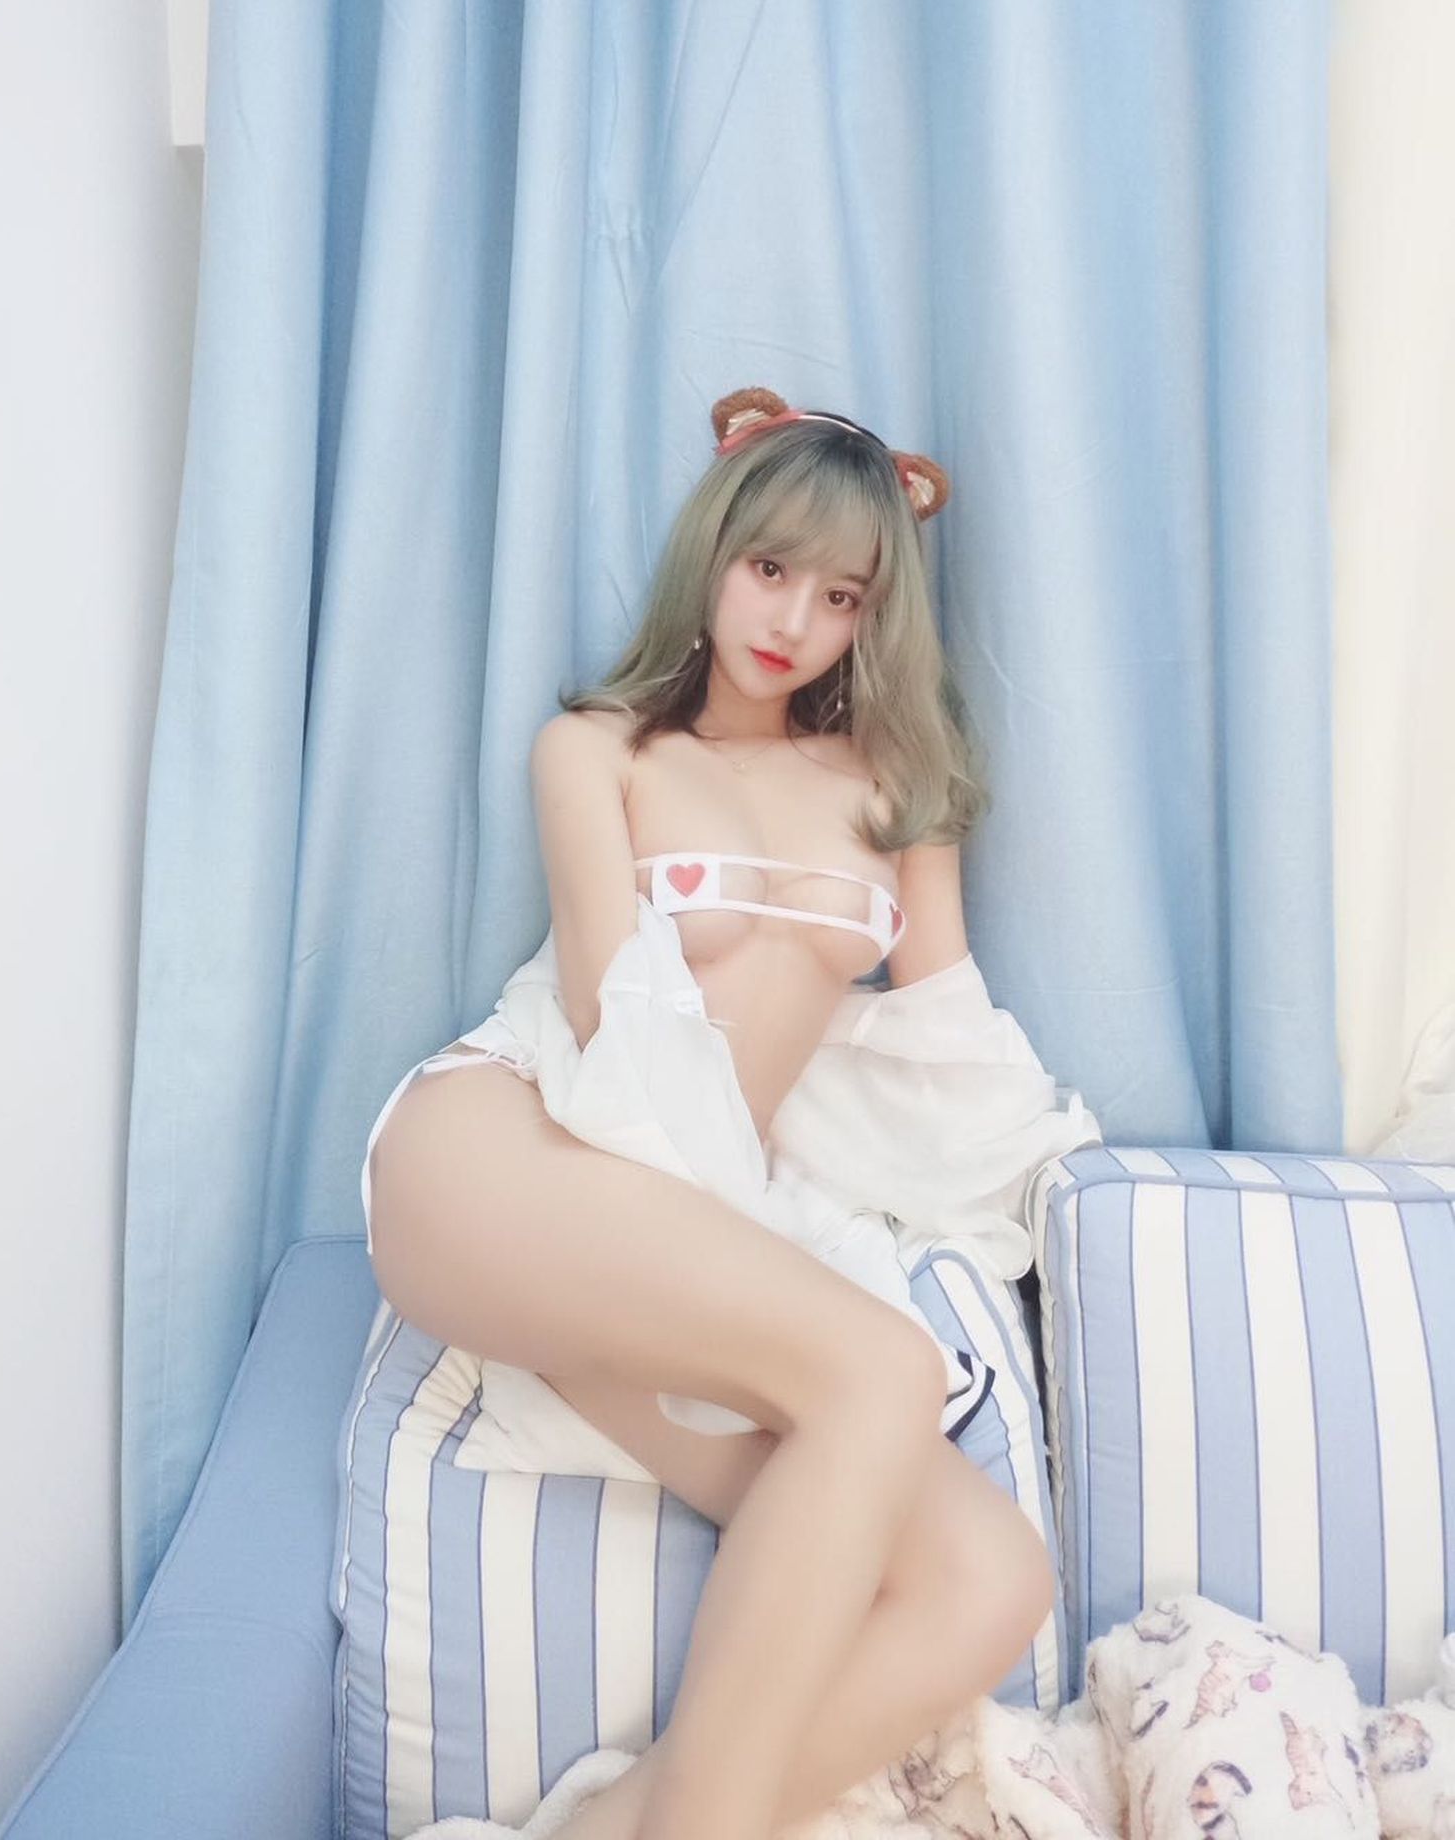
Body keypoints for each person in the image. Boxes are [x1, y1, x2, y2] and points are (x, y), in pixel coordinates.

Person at [365, 387, 1061, 1840]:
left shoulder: (899, 791)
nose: (794, 619)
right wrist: (758, 1251)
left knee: (991, 1577)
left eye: (841, 595)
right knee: (874, 1372)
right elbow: (609, 1024)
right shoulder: (600, 749)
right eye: (770, 569)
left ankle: (623, 1825)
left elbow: (941, 1040)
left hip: (677, 1229)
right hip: (509, 1148)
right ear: (715, 555)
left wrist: (1021, 1179)